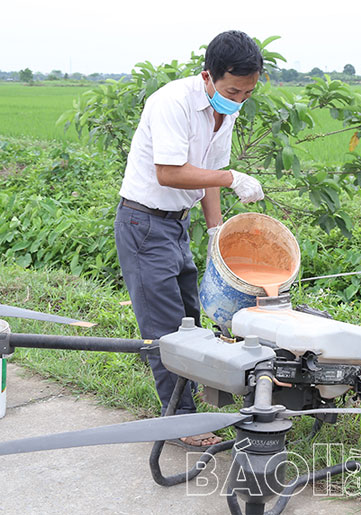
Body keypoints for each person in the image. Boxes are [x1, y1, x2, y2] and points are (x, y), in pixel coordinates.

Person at [114, 30, 265, 448]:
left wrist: (216, 233)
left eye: (248, 93)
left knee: (190, 320)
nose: (238, 100)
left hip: (176, 225)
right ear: (208, 76)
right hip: (144, 224)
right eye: (233, 90)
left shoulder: (228, 109)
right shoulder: (172, 102)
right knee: (164, 329)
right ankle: (181, 423)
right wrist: (233, 177)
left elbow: (209, 176)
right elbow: (171, 172)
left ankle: (191, 405)